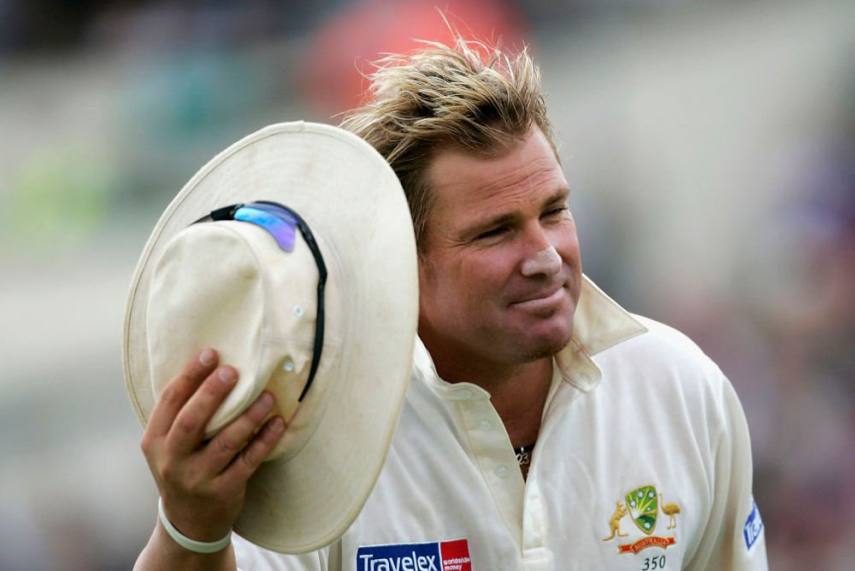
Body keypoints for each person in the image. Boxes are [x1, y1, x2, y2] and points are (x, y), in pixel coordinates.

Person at [134, 38, 768, 570]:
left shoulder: (680, 388)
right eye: (496, 232)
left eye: (554, 211)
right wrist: (190, 531)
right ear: (404, 263)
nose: (545, 255)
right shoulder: (316, 449)